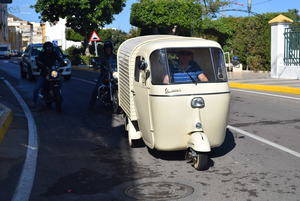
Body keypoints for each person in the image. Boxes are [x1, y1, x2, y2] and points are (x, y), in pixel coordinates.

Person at [32, 42, 63, 107]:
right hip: (44, 73)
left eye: (50, 47)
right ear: (45, 48)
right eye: (47, 47)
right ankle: (34, 103)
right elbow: (38, 61)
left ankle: (58, 93)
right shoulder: (42, 54)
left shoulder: (54, 54)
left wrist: (62, 62)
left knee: (60, 79)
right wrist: (40, 65)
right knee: (36, 89)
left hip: (53, 72)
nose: (49, 48)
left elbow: (59, 59)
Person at [89, 40, 117, 108]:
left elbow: (119, 62)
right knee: (96, 88)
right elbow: (97, 62)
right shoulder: (102, 57)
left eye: (109, 47)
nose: (108, 49)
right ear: (104, 49)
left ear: (111, 48)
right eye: (107, 48)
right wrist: (96, 65)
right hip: (104, 75)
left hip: (114, 74)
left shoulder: (114, 56)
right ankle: (91, 104)